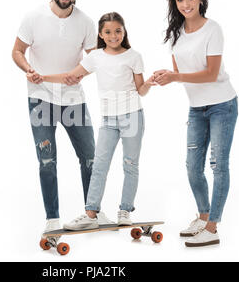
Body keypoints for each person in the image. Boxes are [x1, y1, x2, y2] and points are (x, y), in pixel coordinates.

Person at [11, 0, 113, 237]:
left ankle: (94, 211)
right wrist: (27, 69)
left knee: (90, 158)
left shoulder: (86, 23)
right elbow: (18, 51)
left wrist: (80, 72)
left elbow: (95, 58)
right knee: (47, 161)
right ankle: (52, 218)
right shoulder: (33, 17)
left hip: (73, 100)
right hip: (40, 98)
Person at [37, 12, 157, 230]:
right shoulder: (95, 57)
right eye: (108, 32)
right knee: (99, 165)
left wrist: (149, 82)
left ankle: (125, 210)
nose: (114, 36)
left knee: (130, 164)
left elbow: (141, 90)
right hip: (109, 120)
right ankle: (91, 213)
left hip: (132, 116)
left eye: (118, 31)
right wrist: (42, 77)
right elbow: (69, 77)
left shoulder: (134, 56)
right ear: (101, 34)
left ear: (124, 31)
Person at [155, 0, 238, 247]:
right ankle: (203, 217)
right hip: (196, 108)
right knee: (192, 167)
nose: (186, 4)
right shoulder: (176, 34)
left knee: (219, 166)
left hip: (222, 105)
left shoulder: (213, 29)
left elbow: (212, 74)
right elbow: (181, 73)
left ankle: (213, 227)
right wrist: (166, 76)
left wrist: (176, 77)